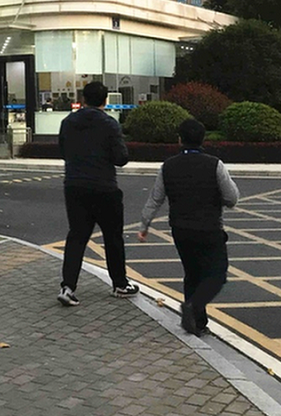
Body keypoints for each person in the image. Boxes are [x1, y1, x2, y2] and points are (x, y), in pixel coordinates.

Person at [138, 118, 240, 335]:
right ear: (203, 139)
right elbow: (232, 198)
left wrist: (144, 225)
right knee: (217, 274)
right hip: (209, 228)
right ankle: (193, 308)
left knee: (192, 274)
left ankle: (197, 323)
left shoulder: (168, 166)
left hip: (180, 229)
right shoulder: (215, 165)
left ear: (180, 140)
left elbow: (155, 199)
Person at [58, 81, 139, 306]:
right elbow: (121, 158)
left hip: (74, 186)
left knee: (77, 237)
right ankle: (120, 284)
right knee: (113, 238)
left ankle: (68, 287)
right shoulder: (109, 124)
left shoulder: (68, 122)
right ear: (105, 100)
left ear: (83, 99)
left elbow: (63, 151)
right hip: (104, 187)